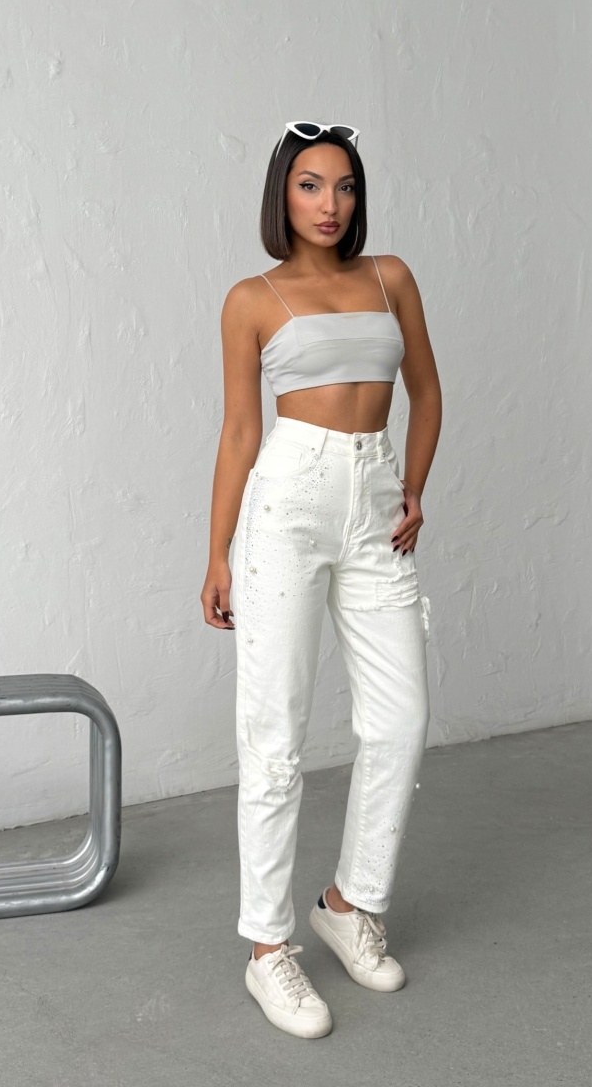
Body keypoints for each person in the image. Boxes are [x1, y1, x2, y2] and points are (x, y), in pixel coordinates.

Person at [201, 121, 442, 1039]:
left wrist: (414, 486)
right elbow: (239, 431)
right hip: (288, 505)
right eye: (310, 186)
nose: (329, 204)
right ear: (283, 195)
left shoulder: (391, 277)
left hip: (375, 497)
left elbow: (428, 390)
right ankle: (269, 948)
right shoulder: (251, 299)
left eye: (343, 186)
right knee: (275, 735)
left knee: (401, 719)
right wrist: (217, 553)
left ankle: (348, 903)